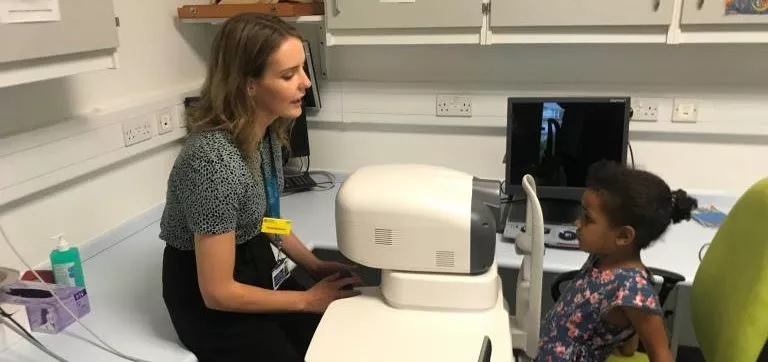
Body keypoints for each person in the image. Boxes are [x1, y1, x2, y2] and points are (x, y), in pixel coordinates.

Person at [158, 13, 362, 362]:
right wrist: (306, 300)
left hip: (251, 260)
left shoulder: (264, 135)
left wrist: (312, 264)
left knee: (334, 336)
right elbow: (218, 293)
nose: (305, 83)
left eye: (302, 69)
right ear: (248, 84)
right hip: (209, 300)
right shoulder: (214, 163)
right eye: (288, 75)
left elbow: (263, 219)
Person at [536, 160, 697, 362]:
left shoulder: (633, 292)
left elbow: (661, 353)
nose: (577, 223)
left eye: (587, 218)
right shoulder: (603, 256)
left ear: (623, 236)